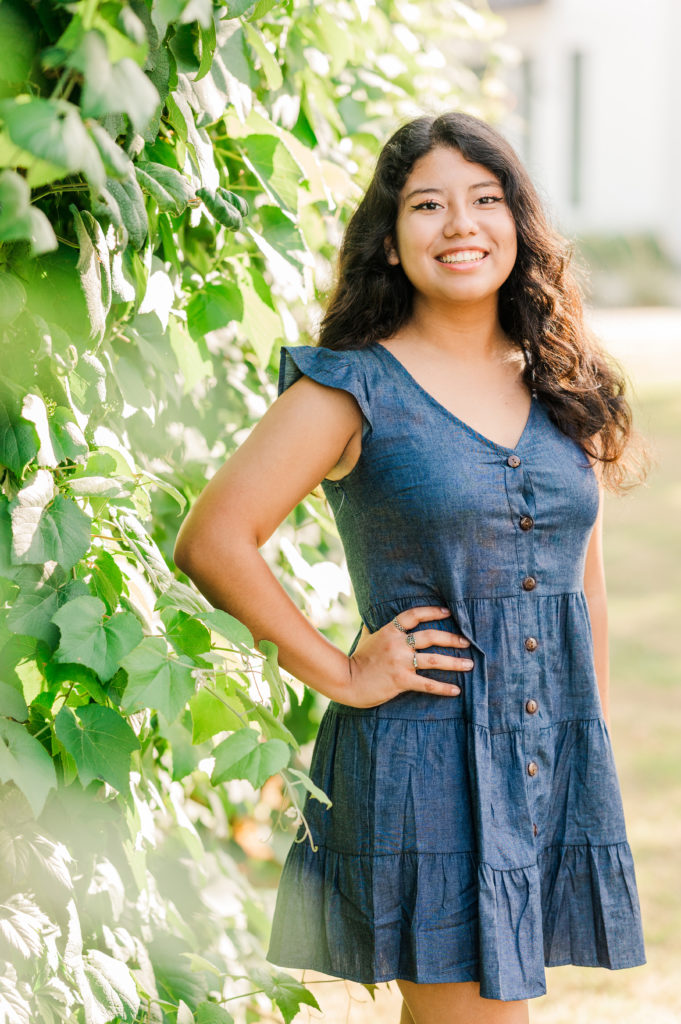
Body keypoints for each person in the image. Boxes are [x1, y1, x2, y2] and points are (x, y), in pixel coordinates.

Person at [173, 111, 648, 1024]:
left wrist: (585, 741)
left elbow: (580, 582)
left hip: (550, 749)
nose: (460, 224)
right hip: (425, 757)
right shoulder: (349, 387)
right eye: (427, 205)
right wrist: (342, 670)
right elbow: (214, 539)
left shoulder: (562, 379)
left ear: (518, 223)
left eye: (484, 199)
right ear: (390, 244)